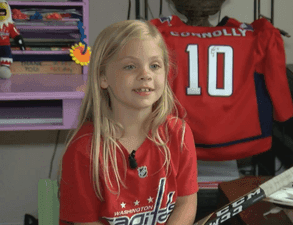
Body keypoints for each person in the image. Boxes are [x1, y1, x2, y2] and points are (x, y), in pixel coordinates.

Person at [57, 20, 198, 225]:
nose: (145, 75)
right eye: (130, 66)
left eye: (155, 66)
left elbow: (186, 204)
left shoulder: (179, 133)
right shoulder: (84, 150)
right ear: (103, 77)